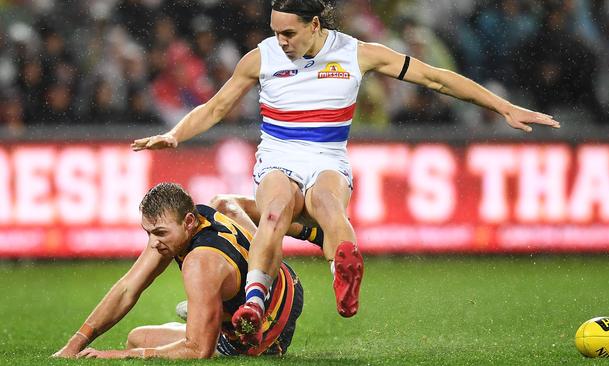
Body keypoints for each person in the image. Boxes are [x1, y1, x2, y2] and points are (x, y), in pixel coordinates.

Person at [131, 0, 560, 346]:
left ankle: (343, 274)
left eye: (288, 32)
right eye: (275, 30)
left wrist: (502, 106)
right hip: (279, 154)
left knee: (327, 203)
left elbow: (436, 79)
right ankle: (255, 304)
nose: (279, 40)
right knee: (276, 210)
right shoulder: (261, 57)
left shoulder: (357, 53)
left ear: (315, 24)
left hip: (327, 155)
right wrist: (175, 134)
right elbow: (215, 108)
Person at [52, 182, 309, 359]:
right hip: (287, 284)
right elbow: (127, 288)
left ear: (187, 222)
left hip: (266, 328)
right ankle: (305, 230)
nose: (154, 242)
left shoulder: (200, 263)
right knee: (225, 203)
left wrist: (121, 355)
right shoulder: (198, 217)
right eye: (148, 233)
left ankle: (211, 311)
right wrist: (74, 345)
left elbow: (198, 351)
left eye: (160, 233)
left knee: (137, 338)